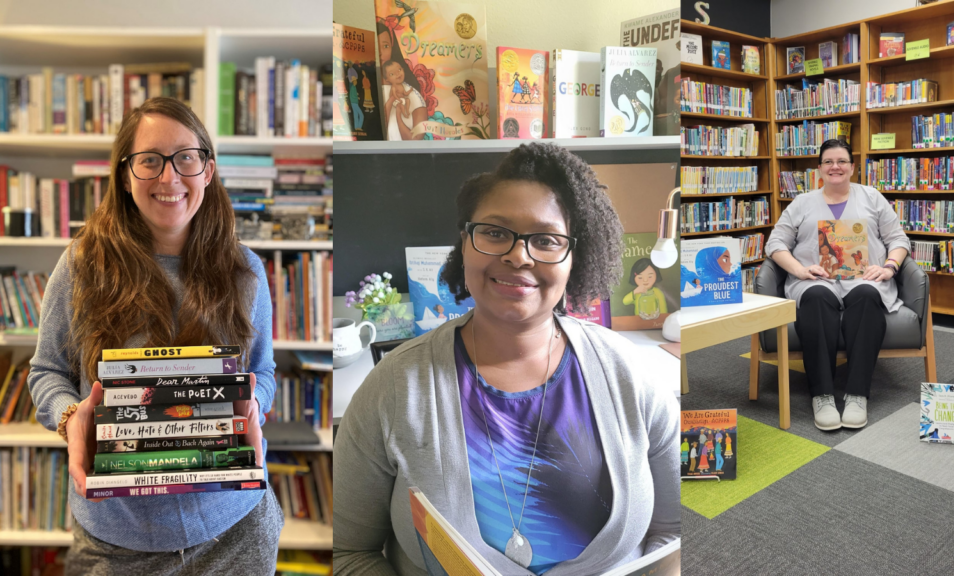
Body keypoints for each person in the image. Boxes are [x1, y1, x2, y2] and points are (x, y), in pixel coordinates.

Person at [333, 143, 679, 575]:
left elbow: (670, 534)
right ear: (465, 243)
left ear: (574, 257)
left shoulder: (631, 376)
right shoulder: (392, 388)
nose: (518, 255)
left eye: (547, 240)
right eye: (495, 233)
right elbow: (347, 552)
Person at [27, 97, 282, 574]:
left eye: (186, 157)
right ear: (125, 176)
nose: (169, 178)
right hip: (117, 542)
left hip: (235, 530)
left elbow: (262, 370)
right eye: (150, 160)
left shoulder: (244, 268)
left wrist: (254, 404)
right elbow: (46, 372)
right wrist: (69, 418)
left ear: (207, 169)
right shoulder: (83, 265)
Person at [764, 139, 911, 431]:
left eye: (842, 161)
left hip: (864, 278)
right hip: (816, 280)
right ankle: (823, 395)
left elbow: (898, 239)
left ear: (853, 167)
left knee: (868, 295)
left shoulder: (872, 198)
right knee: (817, 297)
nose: (835, 167)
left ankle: (857, 394)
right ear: (819, 169)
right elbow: (775, 243)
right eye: (828, 162)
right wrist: (800, 269)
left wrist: (889, 268)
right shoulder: (802, 202)